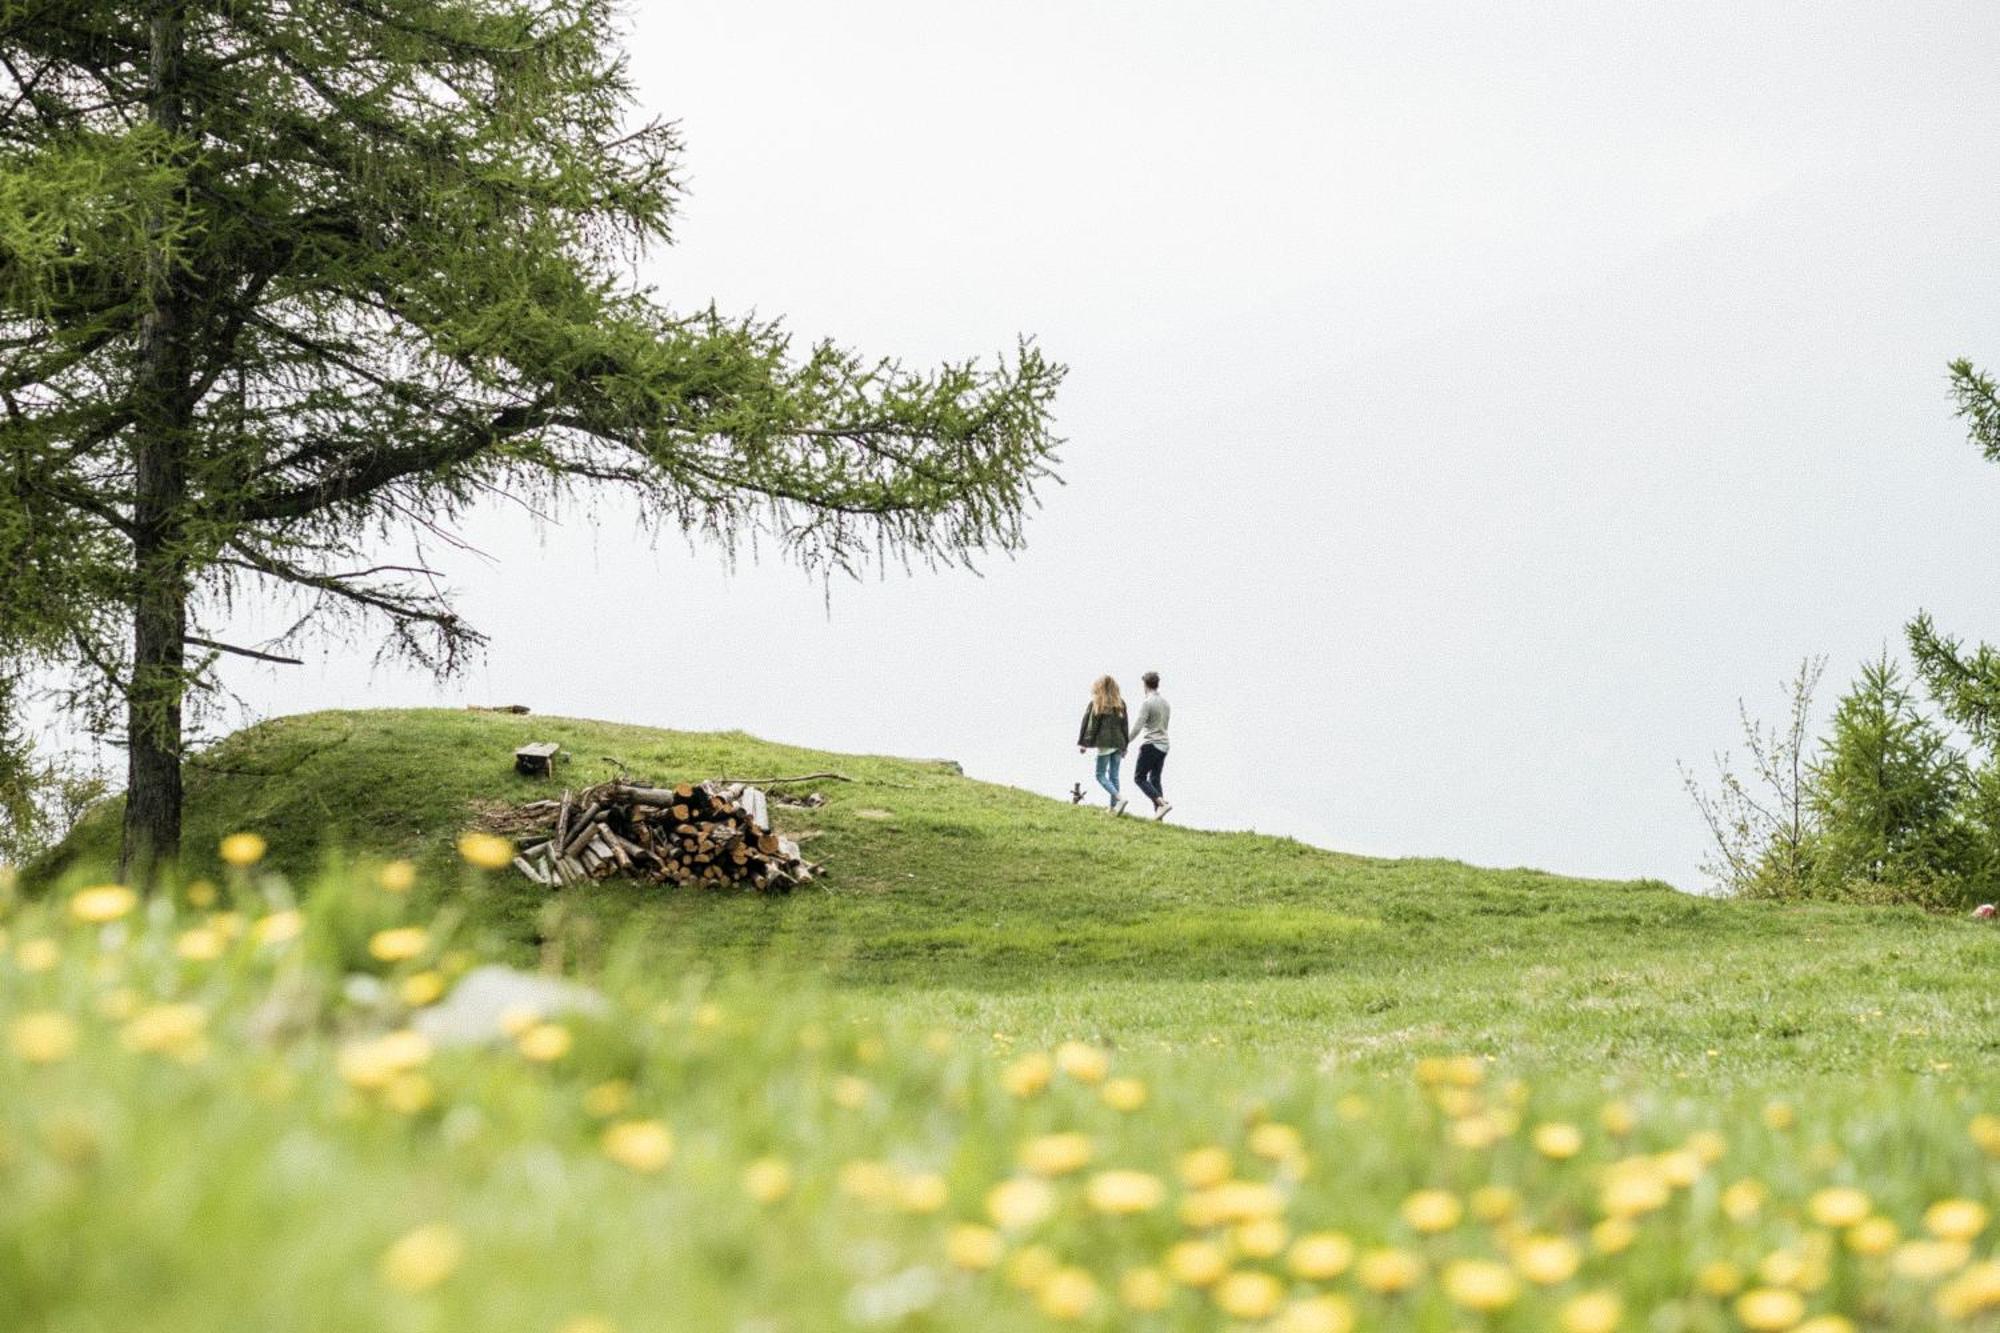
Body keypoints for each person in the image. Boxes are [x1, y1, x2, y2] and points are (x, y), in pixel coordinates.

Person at [1076, 675, 1130, 814]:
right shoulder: (1120, 703)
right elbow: (1125, 726)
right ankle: (1113, 808)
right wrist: (1125, 746)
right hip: (1119, 743)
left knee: (1100, 775)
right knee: (1114, 775)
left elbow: (1091, 726)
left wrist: (1084, 744)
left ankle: (1119, 799)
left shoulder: (1097, 702)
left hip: (1105, 743)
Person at [1130, 671, 1172, 820]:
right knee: (1155, 779)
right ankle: (1159, 815)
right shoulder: (1166, 703)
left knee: (1139, 777)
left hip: (1151, 744)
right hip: (1164, 745)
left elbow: (1138, 726)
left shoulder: (1147, 702)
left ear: (1145, 685)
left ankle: (1161, 804)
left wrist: (1126, 741)